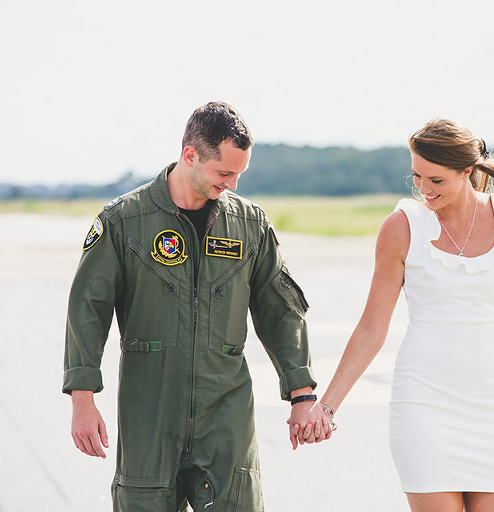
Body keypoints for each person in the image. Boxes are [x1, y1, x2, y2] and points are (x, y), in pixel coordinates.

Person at [301, 119, 494, 511]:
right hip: (423, 407)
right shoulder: (400, 228)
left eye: (436, 180)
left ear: (467, 171)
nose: (424, 190)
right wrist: (326, 406)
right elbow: (371, 328)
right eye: (417, 177)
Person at [63, 101, 327, 512]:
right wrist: (82, 400)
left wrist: (302, 394)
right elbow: (87, 309)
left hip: (226, 414)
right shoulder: (124, 221)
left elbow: (282, 310)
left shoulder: (250, 225)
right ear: (190, 155)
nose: (234, 184)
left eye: (240, 173)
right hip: (150, 411)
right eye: (224, 173)